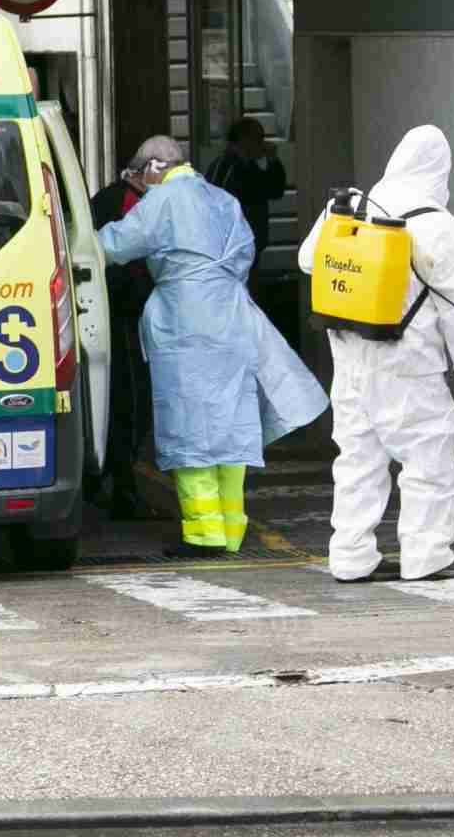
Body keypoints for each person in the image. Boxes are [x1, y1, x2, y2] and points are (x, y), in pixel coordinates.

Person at [97, 134, 328, 560]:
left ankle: (203, 534)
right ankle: (232, 529)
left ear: (153, 168)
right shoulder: (224, 200)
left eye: (138, 176)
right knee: (231, 424)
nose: (138, 186)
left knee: (190, 427)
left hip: (186, 322)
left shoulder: (163, 200)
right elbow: (247, 252)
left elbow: (113, 244)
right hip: (232, 317)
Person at [297, 125, 454, 584]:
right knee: (428, 459)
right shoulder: (436, 225)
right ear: (438, 171)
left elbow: (309, 259)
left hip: (349, 360)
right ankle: (427, 555)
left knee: (357, 461)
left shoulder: (346, 207)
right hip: (407, 366)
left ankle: (350, 556)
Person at [87, 156, 157, 520]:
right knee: (130, 402)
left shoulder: (113, 198)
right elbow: (127, 257)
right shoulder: (125, 203)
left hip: (121, 313)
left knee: (125, 402)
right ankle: (122, 489)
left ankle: (109, 485)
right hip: (124, 316)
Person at [204, 117, 290, 291]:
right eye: (258, 138)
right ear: (244, 140)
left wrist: (273, 161)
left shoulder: (245, 165)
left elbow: (274, 190)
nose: (262, 144)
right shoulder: (227, 167)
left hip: (247, 243)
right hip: (231, 246)